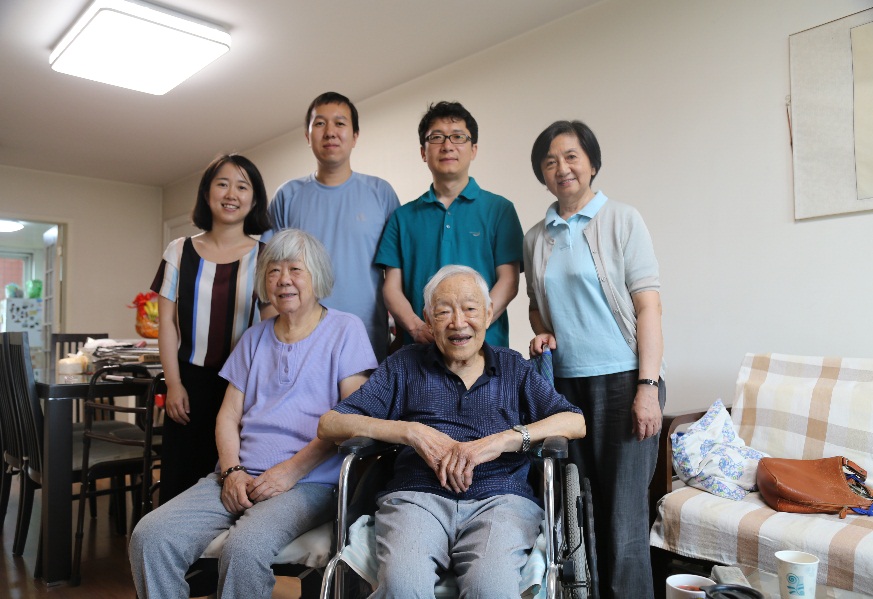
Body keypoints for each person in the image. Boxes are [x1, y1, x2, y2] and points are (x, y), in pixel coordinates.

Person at [130, 229, 377, 598]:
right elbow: (227, 417)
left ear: (318, 276)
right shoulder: (253, 338)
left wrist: (289, 471)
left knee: (245, 547)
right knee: (150, 536)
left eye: (295, 269)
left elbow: (348, 423)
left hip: (309, 482)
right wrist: (231, 471)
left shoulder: (345, 330)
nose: (283, 280)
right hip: (239, 475)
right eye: (273, 271)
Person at [318, 265, 586, 598]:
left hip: (501, 501)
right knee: (402, 586)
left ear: (488, 314)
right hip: (417, 499)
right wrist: (412, 432)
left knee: (490, 589)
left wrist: (504, 440)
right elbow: (330, 424)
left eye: (470, 309)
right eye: (444, 312)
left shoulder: (513, 367)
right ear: (428, 321)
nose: (458, 323)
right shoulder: (404, 365)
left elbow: (575, 421)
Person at [524, 120, 666, 599]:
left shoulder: (622, 219)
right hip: (565, 389)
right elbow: (536, 307)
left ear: (591, 163)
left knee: (624, 519)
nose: (561, 168)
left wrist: (648, 387)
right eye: (550, 161)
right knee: (577, 515)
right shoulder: (535, 237)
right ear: (542, 174)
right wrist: (542, 332)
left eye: (571, 156)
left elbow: (648, 307)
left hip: (626, 382)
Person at [151, 153, 271, 503]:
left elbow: (270, 329)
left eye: (242, 187)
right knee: (180, 481)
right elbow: (166, 324)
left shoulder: (265, 256)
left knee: (230, 486)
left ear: (254, 199)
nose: (231, 194)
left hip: (242, 388)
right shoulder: (178, 250)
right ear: (207, 194)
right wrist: (173, 384)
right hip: (188, 384)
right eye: (222, 184)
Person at [262, 91, 400, 362]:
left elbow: (399, 273)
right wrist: (271, 342)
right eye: (320, 123)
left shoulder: (381, 193)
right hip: (299, 342)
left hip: (367, 341)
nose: (330, 132)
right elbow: (267, 274)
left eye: (340, 123)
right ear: (307, 135)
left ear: (355, 136)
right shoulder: (286, 196)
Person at [375, 101, 523, 348]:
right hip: (420, 351)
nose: (447, 146)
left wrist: (472, 326)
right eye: (436, 137)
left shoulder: (500, 209)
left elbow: (508, 282)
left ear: (473, 150)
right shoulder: (401, 217)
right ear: (423, 152)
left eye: (458, 137)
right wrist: (416, 327)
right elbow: (391, 287)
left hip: (486, 350)